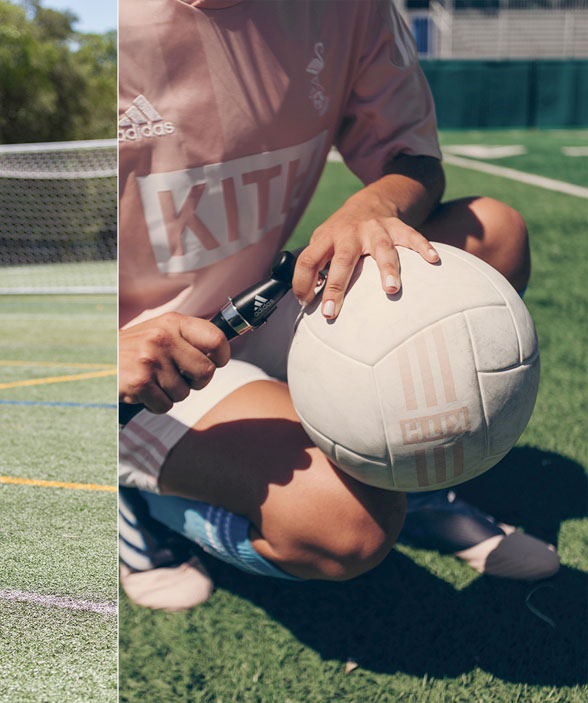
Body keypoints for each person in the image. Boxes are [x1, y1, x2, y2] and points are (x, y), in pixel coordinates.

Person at [118, 0, 559, 611]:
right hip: (143, 363)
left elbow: (413, 161)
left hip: (267, 300)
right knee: (346, 526)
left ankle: (420, 485)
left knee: (493, 233)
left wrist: (372, 208)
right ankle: (142, 504)